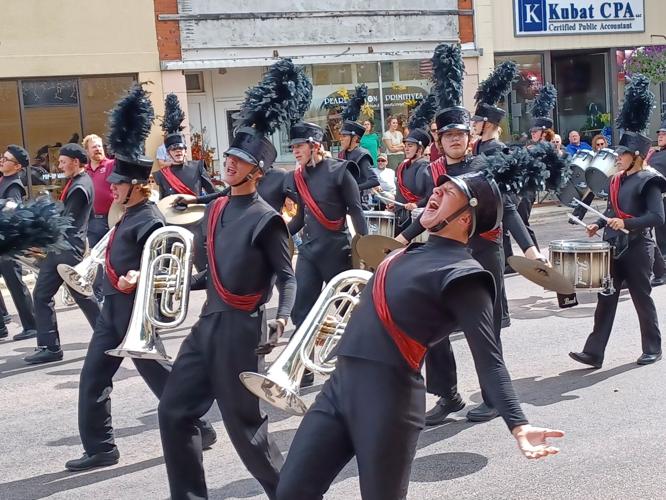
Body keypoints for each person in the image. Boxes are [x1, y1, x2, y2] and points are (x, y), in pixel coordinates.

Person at [275, 171, 563, 500]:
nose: (435, 194)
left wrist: (518, 423)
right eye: (438, 188)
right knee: (291, 491)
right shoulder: (404, 253)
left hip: (389, 401)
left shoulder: (466, 276)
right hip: (339, 387)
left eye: (449, 192)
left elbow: (490, 360)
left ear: (465, 217)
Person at [158, 60, 302, 499]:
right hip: (207, 326)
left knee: (246, 432)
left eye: (239, 161)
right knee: (174, 411)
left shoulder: (267, 220)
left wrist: (282, 318)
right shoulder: (216, 209)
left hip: (243, 331)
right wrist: (177, 283)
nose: (229, 165)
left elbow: (286, 277)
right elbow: (213, 274)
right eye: (227, 158)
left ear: (258, 170)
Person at [65, 86, 216, 472]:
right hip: (111, 309)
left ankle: (199, 423)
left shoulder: (149, 219)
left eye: (117, 183)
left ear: (136, 186)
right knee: (94, 378)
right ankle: (101, 447)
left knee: (160, 378)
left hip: (134, 311)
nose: (111, 187)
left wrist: (140, 274)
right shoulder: (126, 213)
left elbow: (169, 266)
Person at [570, 74, 666, 369]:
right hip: (613, 246)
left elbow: (655, 217)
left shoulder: (648, 181)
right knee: (605, 298)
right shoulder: (616, 181)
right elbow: (612, 211)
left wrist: (627, 224)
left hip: (638, 248)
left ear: (636, 156)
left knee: (641, 299)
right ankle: (594, 352)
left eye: (623, 154)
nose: (618, 158)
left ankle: (653, 347)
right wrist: (597, 225)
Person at [287, 121, 368, 386]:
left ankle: (353, 362)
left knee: (347, 308)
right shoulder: (298, 176)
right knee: (301, 310)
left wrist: (366, 249)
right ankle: (303, 366)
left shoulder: (341, 171)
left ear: (314, 145)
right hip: (309, 251)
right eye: (293, 147)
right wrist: (277, 234)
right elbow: (300, 217)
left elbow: (356, 211)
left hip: (337, 249)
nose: (295, 151)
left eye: (299, 146)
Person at [24, 144, 101, 364]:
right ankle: (108, 335)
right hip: (68, 247)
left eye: (63, 161)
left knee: (42, 295)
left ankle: (50, 347)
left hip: (65, 249)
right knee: (83, 296)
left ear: (76, 162)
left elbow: (66, 222)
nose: (59, 165)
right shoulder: (80, 182)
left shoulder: (79, 187)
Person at [153, 93, 216, 271]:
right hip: (173, 222)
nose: (178, 151)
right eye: (174, 149)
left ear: (185, 150)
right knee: (169, 266)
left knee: (204, 267)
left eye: (181, 148)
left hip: (196, 220)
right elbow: (162, 202)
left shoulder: (197, 167)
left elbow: (211, 192)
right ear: (168, 153)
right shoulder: (162, 174)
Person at [0, 145, 37, 341]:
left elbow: (12, 210)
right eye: (2, 157)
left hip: (8, 242)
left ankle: (31, 325)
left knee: (15, 283)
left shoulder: (13, 185)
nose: (2, 161)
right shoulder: (4, 180)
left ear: (16, 167)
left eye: (6, 159)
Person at [83, 134, 115, 303]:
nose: (98, 149)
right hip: (93, 221)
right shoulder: (84, 171)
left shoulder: (112, 165)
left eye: (100, 145)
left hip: (112, 218)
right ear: (87, 151)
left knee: (115, 255)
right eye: (94, 146)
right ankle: (100, 294)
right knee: (97, 258)